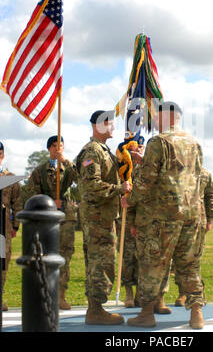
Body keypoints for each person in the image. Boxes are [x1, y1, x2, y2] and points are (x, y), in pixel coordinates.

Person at [122, 101, 206, 330]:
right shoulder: (194, 142)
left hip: (162, 216)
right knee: (189, 264)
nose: (154, 121)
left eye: (156, 117)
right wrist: (144, 160)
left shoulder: (158, 142)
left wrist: (129, 200)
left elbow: (147, 180)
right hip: (191, 213)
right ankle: (196, 313)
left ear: (166, 117)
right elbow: (196, 175)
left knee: (153, 263)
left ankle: (147, 314)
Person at [76, 110, 131, 325]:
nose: (113, 128)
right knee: (100, 263)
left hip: (104, 216)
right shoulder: (92, 151)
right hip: (97, 217)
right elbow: (91, 186)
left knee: (102, 262)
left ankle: (95, 308)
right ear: (98, 125)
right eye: (109, 124)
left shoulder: (103, 150)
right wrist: (119, 188)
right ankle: (96, 310)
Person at [27, 136, 78, 310]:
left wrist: (66, 161)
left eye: (61, 146)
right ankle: (45, 294)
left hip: (66, 218)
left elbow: (81, 179)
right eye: (55, 146)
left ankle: (61, 295)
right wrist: (49, 201)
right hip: (47, 219)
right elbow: (32, 194)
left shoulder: (68, 168)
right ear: (49, 149)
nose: (58, 149)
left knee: (64, 257)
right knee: (45, 255)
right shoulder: (39, 171)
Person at [175, 167, 213, 307]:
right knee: (178, 260)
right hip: (177, 220)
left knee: (194, 259)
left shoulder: (205, 174)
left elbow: (210, 197)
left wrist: (210, 219)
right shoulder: (179, 170)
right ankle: (182, 293)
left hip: (199, 220)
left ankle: (194, 295)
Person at [116, 136, 145, 308]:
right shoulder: (124, 168)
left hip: (144, 219)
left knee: (143, 257)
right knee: (127, 256)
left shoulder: (149, 168)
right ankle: (128, 292)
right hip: (126, 219)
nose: (137, 150)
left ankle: (141, 292)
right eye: (134, 147)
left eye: (140, 147)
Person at [0, 142, 23, 311]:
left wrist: (15, 226)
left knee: (3, 263)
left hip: (4, 227)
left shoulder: (10, 178)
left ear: (2, 155)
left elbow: (18, 203)